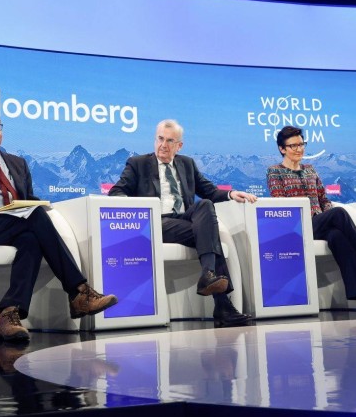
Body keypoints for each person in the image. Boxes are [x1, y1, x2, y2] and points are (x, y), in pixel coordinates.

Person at [0, 111, 117, 341]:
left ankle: (8, 313)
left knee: (32, 241)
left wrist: (39, 205)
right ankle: (79, 292)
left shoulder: (18, 163)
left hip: (16, 224)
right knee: (34, 217)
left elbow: (27, 197)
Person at [108, 119, 256, 327]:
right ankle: (222, 306)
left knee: (204, 204)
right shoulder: (138, 163)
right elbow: (117, 192)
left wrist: (232, 194)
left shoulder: (187, 164)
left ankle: (208, 275)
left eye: (170, 141)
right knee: (209, 234)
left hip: (183, 221)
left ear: (179, 145)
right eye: (160, 139)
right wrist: (139, 208)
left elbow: (210, 192)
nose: (163, 145)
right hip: (156, 222)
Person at [266, 126, 356, 318]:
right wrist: (329, 216)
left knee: (338, 237)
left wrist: (327, 216)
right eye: (293, 146)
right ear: (282, 149)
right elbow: (281, 204)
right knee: (339, 213)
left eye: (301, 144)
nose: (299, 149)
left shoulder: (310, 170)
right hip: (296, 227)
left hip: (319, 223)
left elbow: (324, 200)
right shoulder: (275, 172)